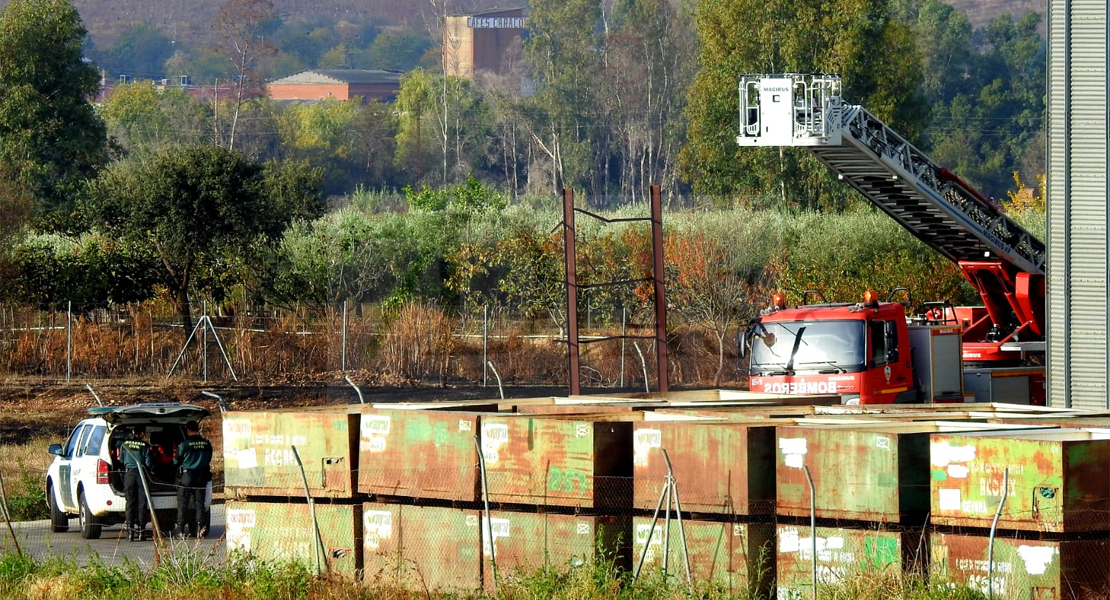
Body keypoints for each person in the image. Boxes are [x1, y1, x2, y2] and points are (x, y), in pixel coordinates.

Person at [173, 420, 213, 539]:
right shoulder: (206, 443)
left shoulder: (185, 444)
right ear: (198, 429)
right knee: (199, 504)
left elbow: (176, 461)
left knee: (183, 503)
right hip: (201, 477)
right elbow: (209, 459)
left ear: (188, 430)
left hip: (187, 477)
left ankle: (180, 530)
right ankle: (200, 528)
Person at [115, 425, 152, 542]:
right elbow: (149, 463)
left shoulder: (124, 445)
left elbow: (120, 460)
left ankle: (130, 532)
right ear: (141, 434)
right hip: (141, 474)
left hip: (129, 474)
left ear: (133, 432)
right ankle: (141, 532)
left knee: (130, 503)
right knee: (142, 503)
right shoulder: (145, 446)